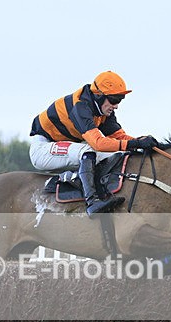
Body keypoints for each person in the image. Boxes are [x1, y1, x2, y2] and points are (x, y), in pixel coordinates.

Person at [29, 71, 159, 216]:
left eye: (120, 99)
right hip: (43, 148)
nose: (116, 106)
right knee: (88, 151)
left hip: (66, 145)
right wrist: (135, 144)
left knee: (117, 153)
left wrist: (140, 142)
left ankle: (95, 188)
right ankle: (92, 202)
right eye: (114, 99)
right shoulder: (80, 107)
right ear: (99, 95)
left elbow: (119, 137)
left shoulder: (102, 110)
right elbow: (98, 143)